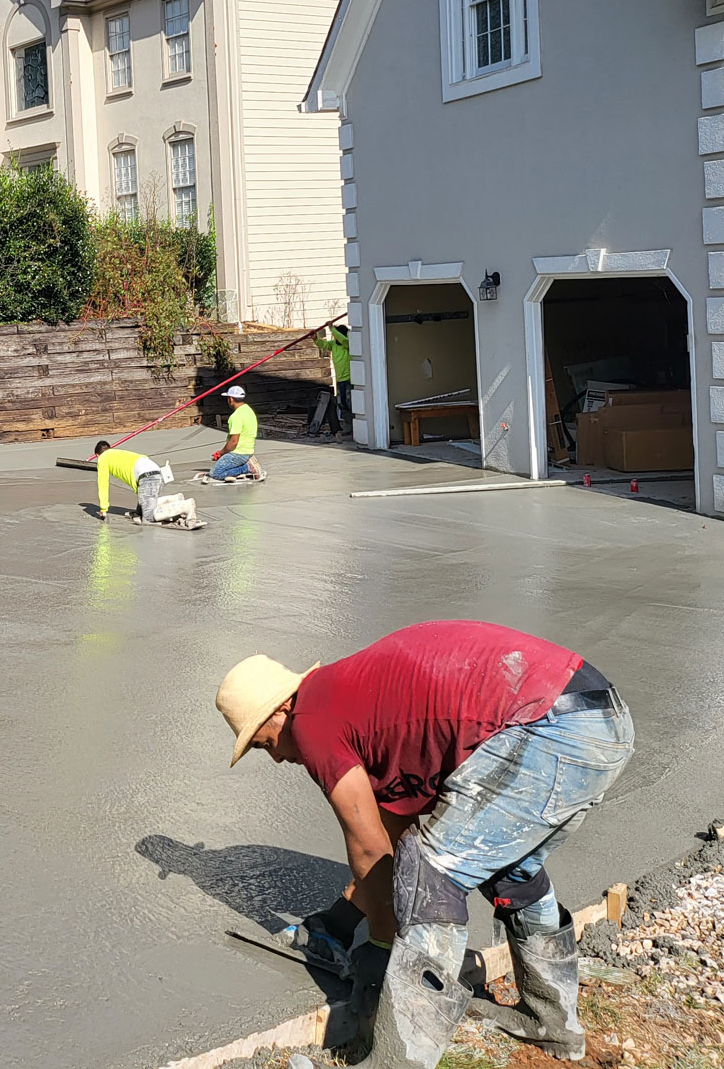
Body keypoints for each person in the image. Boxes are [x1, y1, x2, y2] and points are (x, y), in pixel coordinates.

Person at [216, 622, 634, 1068]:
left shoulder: (312, 723)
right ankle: (552, 1024)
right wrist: (341, 919)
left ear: (282, 709)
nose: (278, 757)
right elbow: (390, 837)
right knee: (512, 870)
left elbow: (369, 849)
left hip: (549, 727)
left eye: (265, 743)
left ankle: (399, 1062)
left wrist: (381, 947)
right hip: (598, 719)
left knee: (431, 874)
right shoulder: (352, 702)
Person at [92, 442, 166, 521]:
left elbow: (103, 484)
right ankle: (139, 513)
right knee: (145, 496)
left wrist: (103, 508)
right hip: (157, 471)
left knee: (148, 518)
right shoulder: (119, 452)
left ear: (97, 455)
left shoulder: (102, 458)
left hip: (147, 477)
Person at [208, 385, 258, 482]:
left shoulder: (236, 416)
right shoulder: (248, 410)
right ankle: (246, 465)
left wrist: (221, 453)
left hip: (238, 453)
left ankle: (247, 468)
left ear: (231, 399)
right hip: (248, 451)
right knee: (222, 467)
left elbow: (234, 441)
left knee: (215, 473)